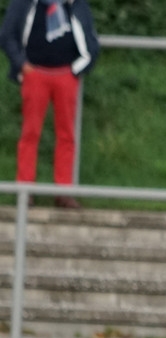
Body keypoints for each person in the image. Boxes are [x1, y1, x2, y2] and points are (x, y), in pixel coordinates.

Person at [1, 0, 100, 209]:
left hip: (66, 75)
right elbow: (7, 35)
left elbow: (90, 39)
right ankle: (25, 190)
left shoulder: (76, 4)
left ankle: (64, 192)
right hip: (34, 74)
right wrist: (21, 64)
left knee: (66, 135)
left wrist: (77, 69)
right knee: (30, 133)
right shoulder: (24, 3)